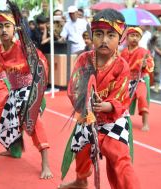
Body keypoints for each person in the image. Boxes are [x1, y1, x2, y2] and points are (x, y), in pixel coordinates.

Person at [58, 9, 140, 189]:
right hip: (88, 118)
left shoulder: (121, 66)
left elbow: (120, 96)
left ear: (121, 38)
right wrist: (85, 104)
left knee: (120, 160)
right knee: (81, 151)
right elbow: (74, 88)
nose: (104, 40)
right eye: (99, 34)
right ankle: (81, 180)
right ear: (91, 35)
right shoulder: (83, 60)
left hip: (113, 121)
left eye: (111, 35)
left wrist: (107, 106)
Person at [0, 10, 53, 179]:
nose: (4, 30)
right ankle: (14, 150)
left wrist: (37, 87)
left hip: (29, 89)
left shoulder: (24, 46)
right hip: (13, 90)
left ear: (14, 28)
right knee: (2, 115)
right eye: (0, 27)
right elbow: (0, 70)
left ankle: (45, 163)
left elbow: (41, 64)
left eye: (7, 26)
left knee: (32, 123)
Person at [121, 27, 154, 131]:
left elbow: (151, 64)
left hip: (141, 79)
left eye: (137, 36)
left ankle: (145, 123)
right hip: (127, 80)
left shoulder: (144, 51)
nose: (134, 38)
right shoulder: (123, 52)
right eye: (132, 35)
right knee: (122, 99)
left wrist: (145, 65)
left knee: (142, 97)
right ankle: (122, 120)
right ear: (127, 37)